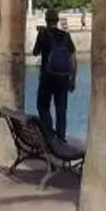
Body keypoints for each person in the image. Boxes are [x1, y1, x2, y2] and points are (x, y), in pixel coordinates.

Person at [31, 8, 77, 141]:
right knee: (61, 110)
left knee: (43, 106)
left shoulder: (43, 34)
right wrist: (72, 79)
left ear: (46, 21)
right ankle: (61, 139)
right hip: (63, 78)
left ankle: (49, 134)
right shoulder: (66, 36)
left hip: (47, 78)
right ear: (57, 20)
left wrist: (40, 36)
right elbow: (73, 58)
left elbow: (35, 52)